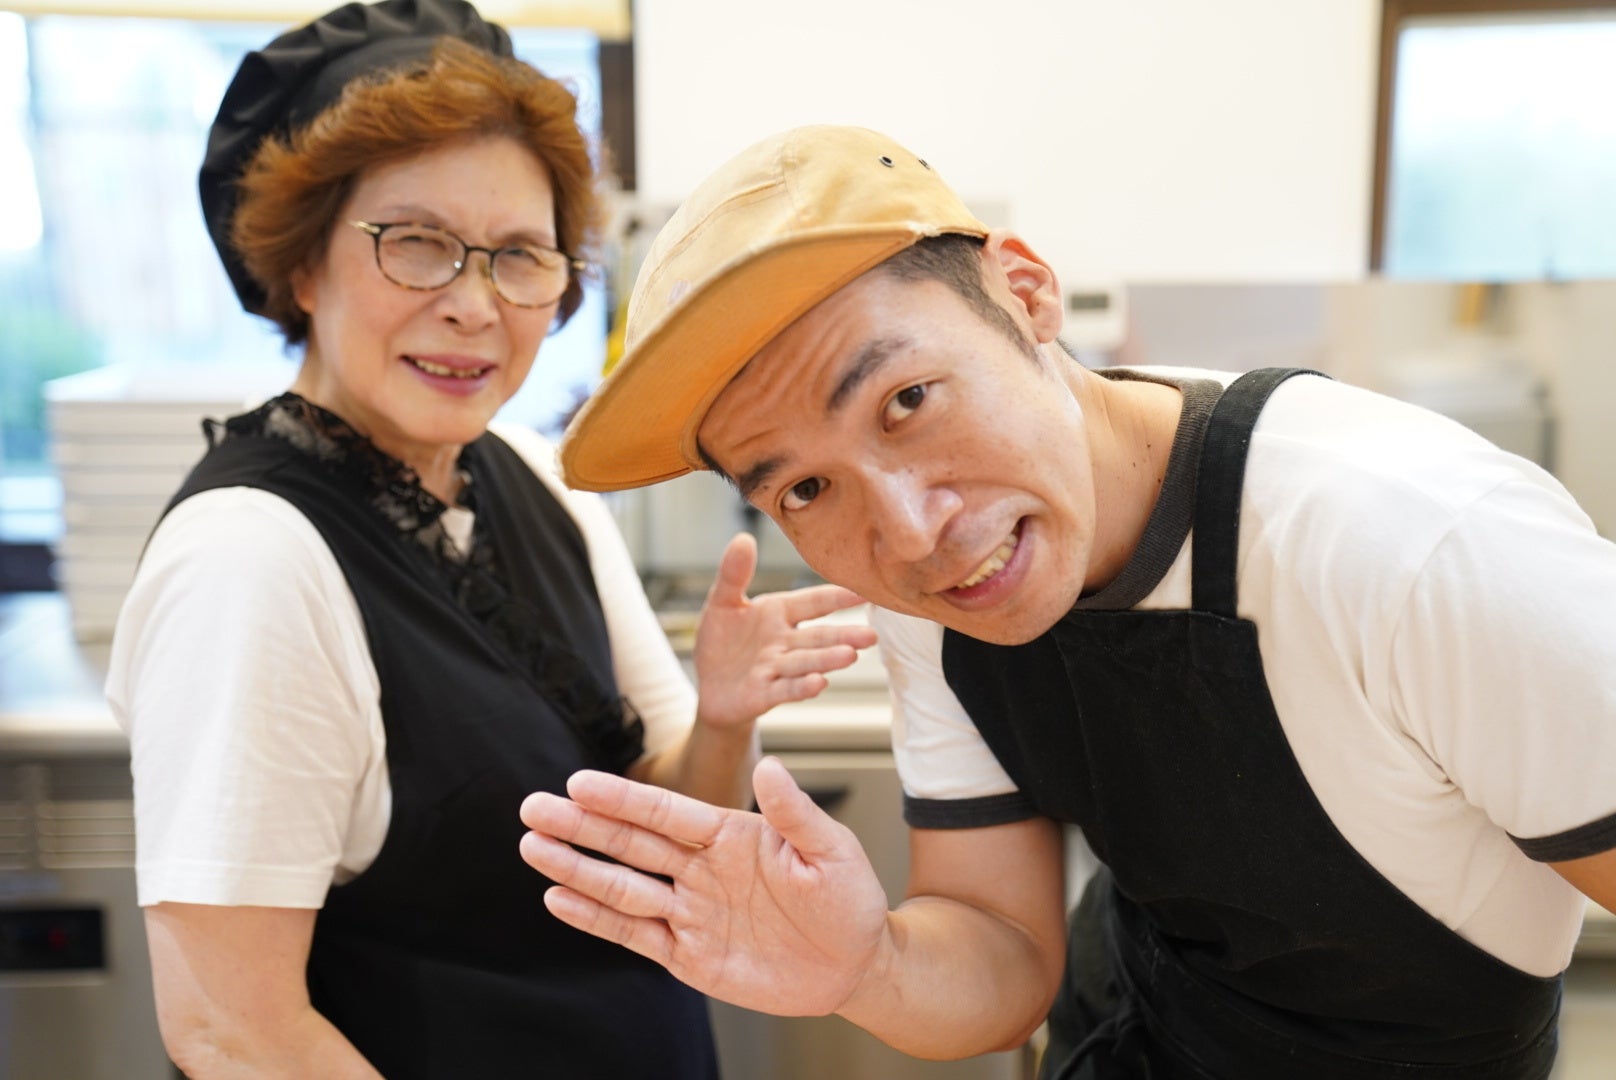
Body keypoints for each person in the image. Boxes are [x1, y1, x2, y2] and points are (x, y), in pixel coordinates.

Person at [517, 123, 1616, 1080]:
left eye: (907, 398)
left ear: (1025, 292)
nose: (909, 533)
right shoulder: (932, 594)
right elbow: (1000, 945)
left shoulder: (1412, 540)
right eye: (804, 488)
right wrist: (869, 965)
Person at [105, 9, 875, 1078]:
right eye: (416, 244)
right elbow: (233, 1030)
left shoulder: (532, 475)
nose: (474, 306)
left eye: (518, 256)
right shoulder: (248, 563)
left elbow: (670, 840)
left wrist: (724, 718)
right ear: (306, 264)